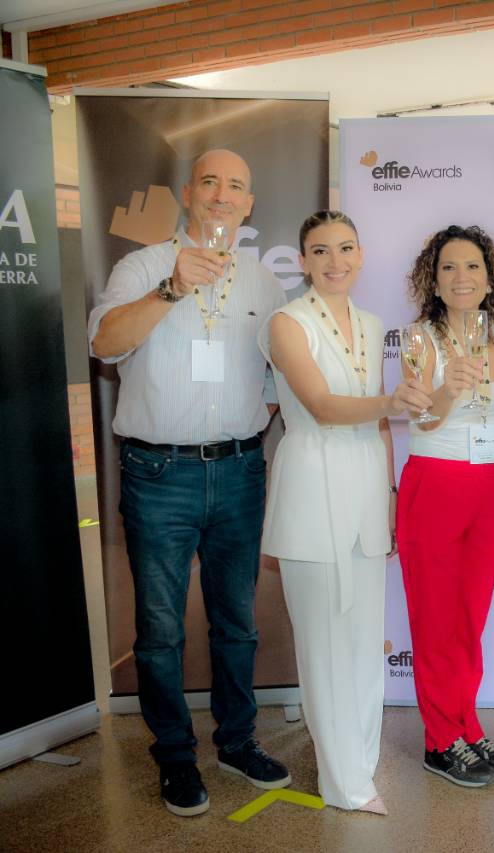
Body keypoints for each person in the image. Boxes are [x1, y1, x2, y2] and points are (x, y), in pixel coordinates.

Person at [88, 149, 290, 816]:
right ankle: (174, 754)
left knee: (237, 623)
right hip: (158, 474)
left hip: (239, 470)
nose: (222, 194)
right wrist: (170, 289)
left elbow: (276, 376)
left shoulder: (264, 283)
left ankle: (236, 741)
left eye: (236, 185)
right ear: (187, 192)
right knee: (160, 630)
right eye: (210, 181)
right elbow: (104, 344)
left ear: (249, 203)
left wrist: (241, 428)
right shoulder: (142, 266)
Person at [258, 211, 431, 814]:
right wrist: (390, 401)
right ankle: (343, 783)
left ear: (360, 254)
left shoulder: (372, 322)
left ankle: (362, 762)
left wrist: (390, 494)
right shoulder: (287, 322)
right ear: (303, 261)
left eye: (346, 248)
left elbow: (379, 423)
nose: (336, 261)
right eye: (321, 250)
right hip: (312, 481)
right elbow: (324, 407)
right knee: (324, 645)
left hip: (365, 488)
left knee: (360, 642)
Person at [398, 225, 494, 788]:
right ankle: (439, 740)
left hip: (491, 489)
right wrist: (448, 388)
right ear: (433, 280)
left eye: (473, 266)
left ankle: (467, 726)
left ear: (490, 278)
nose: (461, 276)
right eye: (448, 267)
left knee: (469, 620)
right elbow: (420, 419)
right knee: (436, 621)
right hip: (435, 484)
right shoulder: (418, 339)